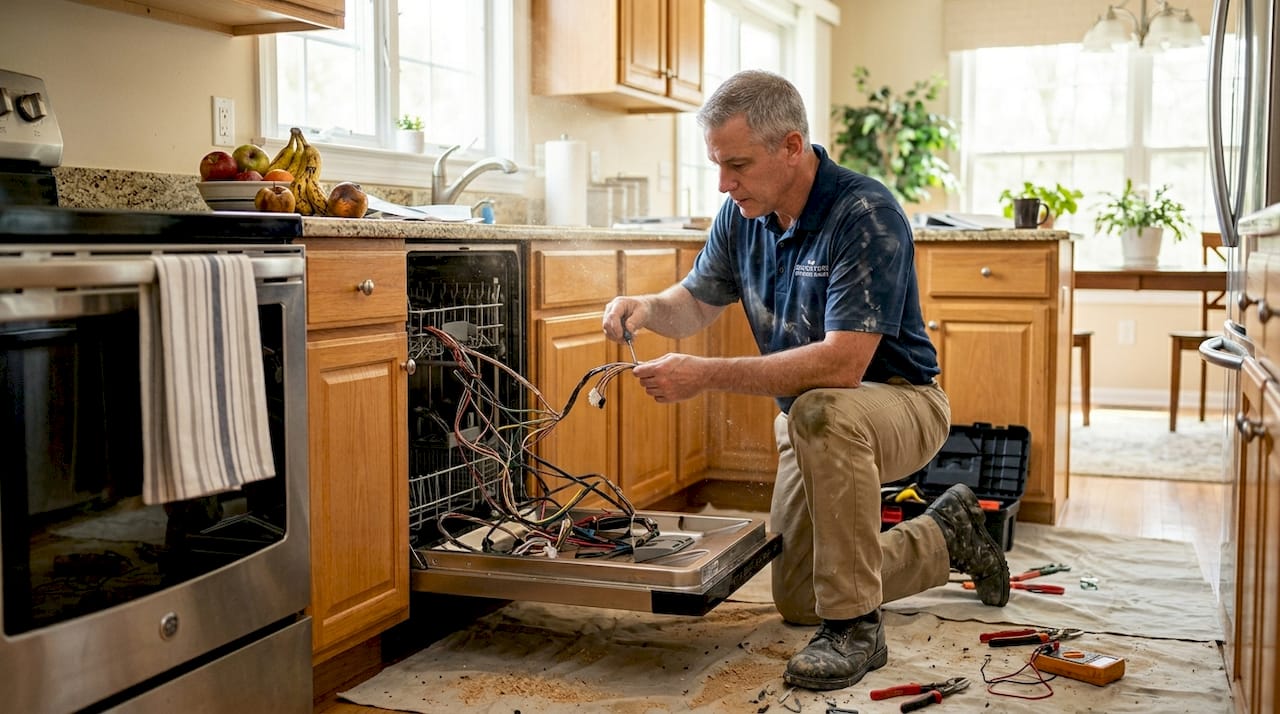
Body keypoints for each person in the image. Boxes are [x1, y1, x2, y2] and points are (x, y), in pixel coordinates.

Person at [601, 70, 1010, 691]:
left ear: (792, 147)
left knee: (821, 409)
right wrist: (647, 308)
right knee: (797, 595)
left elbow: (842, 366)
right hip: (813, 420)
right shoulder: (742, 215)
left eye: (737, 164)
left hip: (901, 403)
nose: (723, 182)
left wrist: (705, 375)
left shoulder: (864, 212)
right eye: (717, 164)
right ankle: (947, 535)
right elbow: (695, 303)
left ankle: (857, 629)